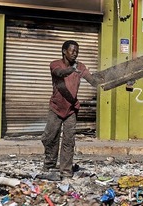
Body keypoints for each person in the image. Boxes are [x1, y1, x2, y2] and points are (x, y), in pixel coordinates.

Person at [42, 40, 97, 178]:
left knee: (69, 141)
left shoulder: (80, 67)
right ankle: (49, 165)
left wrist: (118, 79)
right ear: (64, 51)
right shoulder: (55, 64)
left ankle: (66, 171)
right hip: (56, 107)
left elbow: (94, 81)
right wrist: (71, 69)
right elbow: (60, 73)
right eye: (72, 51)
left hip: (71, 109)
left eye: (77, 51)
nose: (75, 53)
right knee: (50, 138)